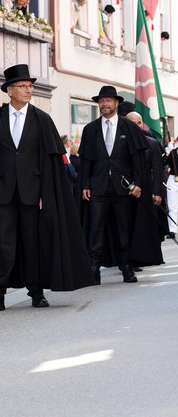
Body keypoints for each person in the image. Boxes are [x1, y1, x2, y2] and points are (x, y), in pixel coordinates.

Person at [0, 64, 94, 312]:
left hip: (33, 194)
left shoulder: (41, 119)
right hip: (3, 193)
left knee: (32, 243)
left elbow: (50, 164)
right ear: (10, 90)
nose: (29, 90)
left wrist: (45, 194)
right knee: (3, 244)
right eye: (23, 86)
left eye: (30, 86)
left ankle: (37, 292)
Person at [79, 86, 148, 285]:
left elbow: (137, 159)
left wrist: (138, 183)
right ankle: (93, 270)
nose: (104, 104)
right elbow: (86, 161)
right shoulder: (90, 129)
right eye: (101, 101)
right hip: (97, 187)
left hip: (123, 188)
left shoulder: (129, 127)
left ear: (116, 103)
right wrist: (85, 183)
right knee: (95, 229)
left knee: (123, 229)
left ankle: (127, 268)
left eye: (108, 100)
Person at [125, 111, 166, 267]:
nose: (136, 126)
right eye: (132, 123)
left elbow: (157, 171)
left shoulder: (152, 144)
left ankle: (140, 258)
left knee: (143, 227)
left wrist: (157, 193)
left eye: (139, 122)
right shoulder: (121, 143)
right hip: (125, 191)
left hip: (146, 192)